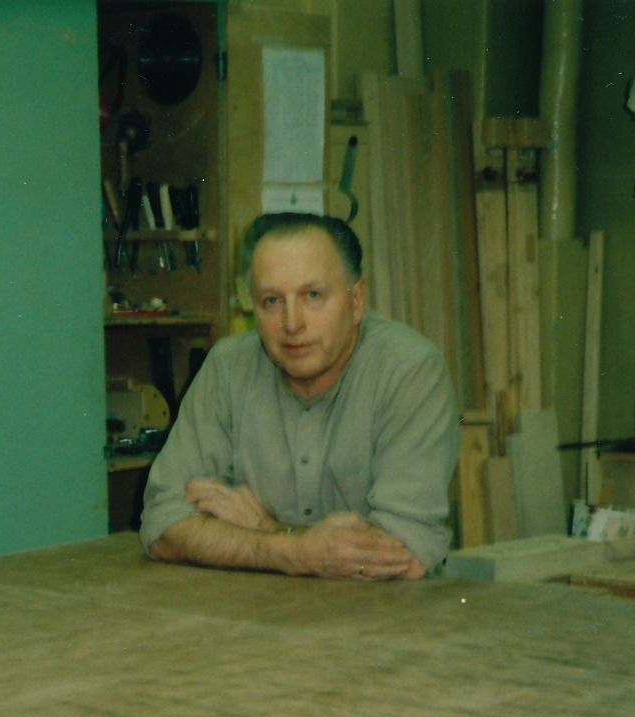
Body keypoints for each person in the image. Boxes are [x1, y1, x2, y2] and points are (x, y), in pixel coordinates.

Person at [139, 212, 459, 580]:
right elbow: (161, 527)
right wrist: (296, 551)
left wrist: (268, 530)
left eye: (312, 296)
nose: (292, 324)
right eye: (272, 301)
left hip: (385, 612)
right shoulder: (227, 368)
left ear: (356, 301)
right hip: (257, 608)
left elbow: (404, 556)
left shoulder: (410, 371)